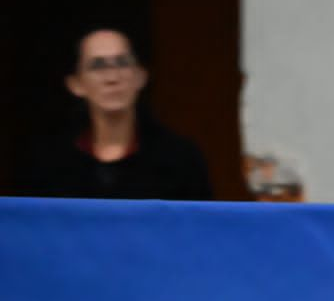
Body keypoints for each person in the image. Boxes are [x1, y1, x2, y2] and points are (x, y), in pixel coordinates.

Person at [16, 28, 212, 200]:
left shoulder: (180, 160)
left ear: (140, 76)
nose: (112, 77)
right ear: (76, 84)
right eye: (97, 66)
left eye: (122, 63)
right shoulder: (50, 164)